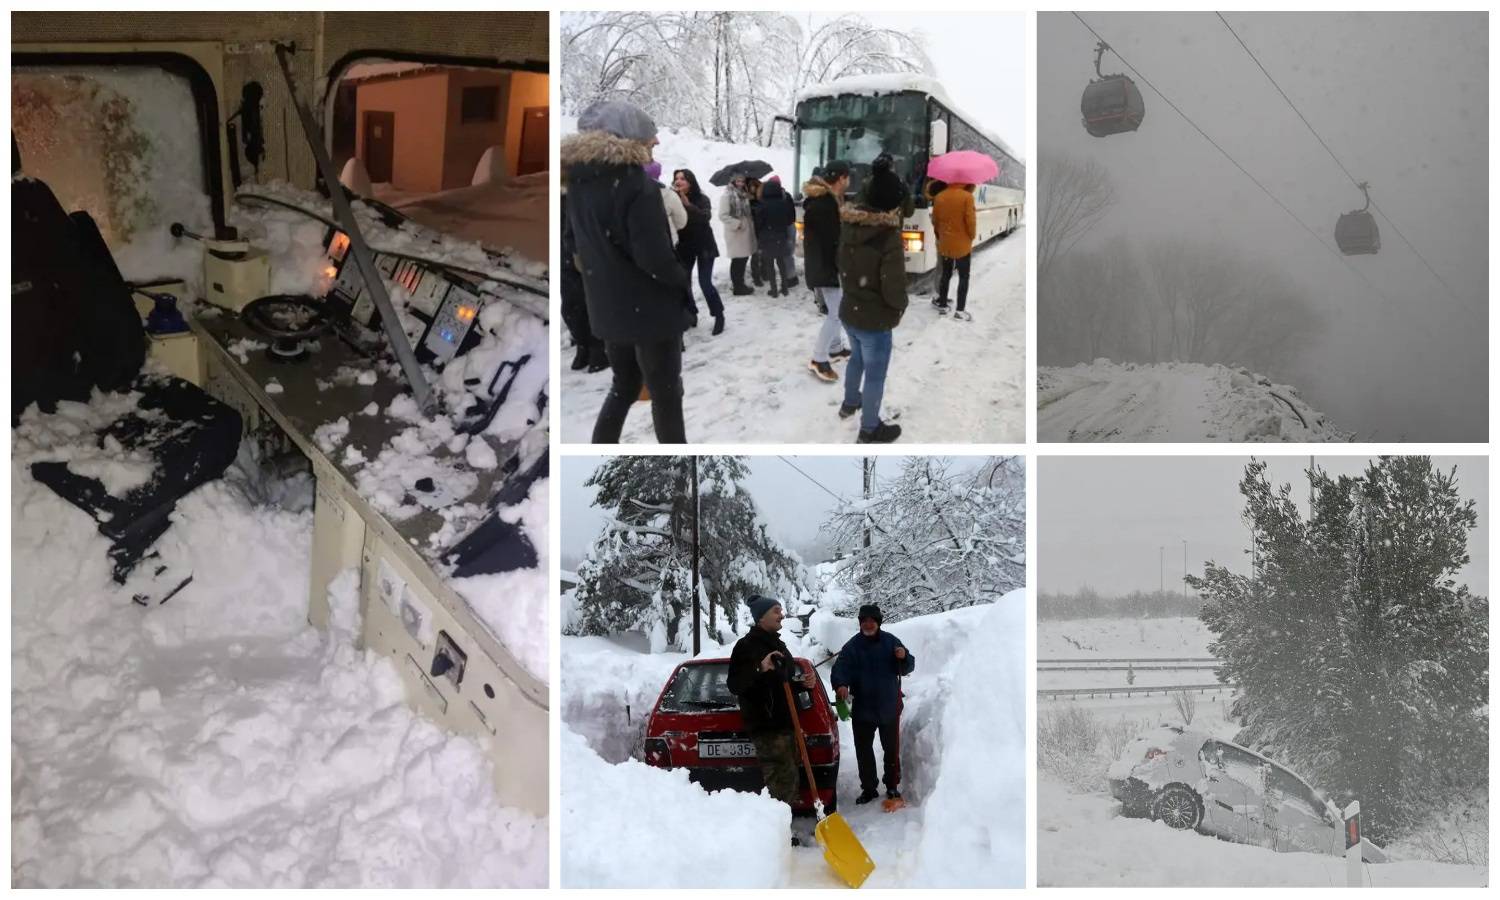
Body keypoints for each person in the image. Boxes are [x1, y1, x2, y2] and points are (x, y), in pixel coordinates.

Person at [561, 100, 690, 443]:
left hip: (609, 312)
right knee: (666, 394)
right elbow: (655, 259)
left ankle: (598, 449)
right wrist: (680, 279)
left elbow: (574, 247)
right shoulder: (637, 186)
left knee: (624, 386)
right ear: (629, 140)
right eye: (650, 139)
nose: (655, 145)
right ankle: (677, 466)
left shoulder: (578, 184)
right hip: (651, 312)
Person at [837, 154, 913, 443]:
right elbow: (894, 289)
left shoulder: (849, 225)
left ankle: (849, 403)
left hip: (849, 311)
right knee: (876, 375)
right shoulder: (888, 237)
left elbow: (840, 265)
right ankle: (869, 429)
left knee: (856, 358)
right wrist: (899, 307)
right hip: (873, 320)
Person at [727, 595, 812, 845]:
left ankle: (783, 830)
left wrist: (801, 683)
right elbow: (735, 684)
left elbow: (782, 684)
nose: (782, 615)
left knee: (789, 779)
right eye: (777, 611)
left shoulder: (779, 646)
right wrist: (759, 668)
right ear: (761, 616)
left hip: (786, 723)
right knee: (779, 781)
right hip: (767, 726)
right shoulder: (746, 647)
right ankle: (777, 837)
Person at [831, 603, 915, 807]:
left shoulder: (891, 641)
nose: (868, 624)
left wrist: (904, 657)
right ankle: (869, 788)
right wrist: (841, 684)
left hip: (889, 705)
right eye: (864, 620)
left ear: (878, 622)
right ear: (860, 623)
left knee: (891, 748)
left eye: (872, 620)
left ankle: (892, 786)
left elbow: (907, 666)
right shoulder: (852, 646)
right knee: (864, 751)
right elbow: (840, 669)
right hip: (863, 708)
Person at [802, 160, 852, 382]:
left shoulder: (823, 201)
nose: (849, 181)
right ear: (841, 178)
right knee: (836, 313)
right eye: (848, 177)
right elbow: (832, 241)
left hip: (822, 265)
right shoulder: (825, 204)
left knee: (836, 309)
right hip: (826, 267)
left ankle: (835, 348)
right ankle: (818, 359)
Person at [671, 168, 725, 336]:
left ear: (690, 182)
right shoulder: (671, 199)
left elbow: (704, 218)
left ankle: (718, 315)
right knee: (684, 282)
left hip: (704, 246)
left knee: (705, 282)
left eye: (683, 179)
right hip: (684, 247)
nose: (679, 181)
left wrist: (688, 205)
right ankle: (692, 312)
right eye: (677, 178)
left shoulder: (702, 199)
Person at [559, 203, 608, 372]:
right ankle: (583, 343)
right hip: (563, 254)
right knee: (571, 307)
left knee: (591, 302)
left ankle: (599, 346)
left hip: (582, 252)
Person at [931, 182, 977, 320]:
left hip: (946, 243)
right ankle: (960, 311)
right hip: (962, 244)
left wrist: (941, 235)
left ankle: (943, 305)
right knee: (964, 276)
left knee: (946, 274)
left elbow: (935, 220)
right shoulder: (967, 197)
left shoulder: (939, 196)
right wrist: (972, 235)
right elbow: (970, 221)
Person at [753, 176, 797, 297]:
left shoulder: (762, 205)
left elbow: (758, 224)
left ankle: (774, 290)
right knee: (781, 262)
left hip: (767, 238)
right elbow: (788, 219)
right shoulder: (782, 203)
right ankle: (784, 287)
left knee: (770, 265)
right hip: (781, 236)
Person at [719, 174, 757, 295]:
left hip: (744, 232)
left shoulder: (742, 194)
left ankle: (739, 284)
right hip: (736, 232)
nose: (740, 183)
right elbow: (722, 215)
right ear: (733, 181)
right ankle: (738, 287)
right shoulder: (727, 195)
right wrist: (737, 223)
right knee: (738, 260)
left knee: (743, 258)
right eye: (738, 181)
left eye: (742, 181)